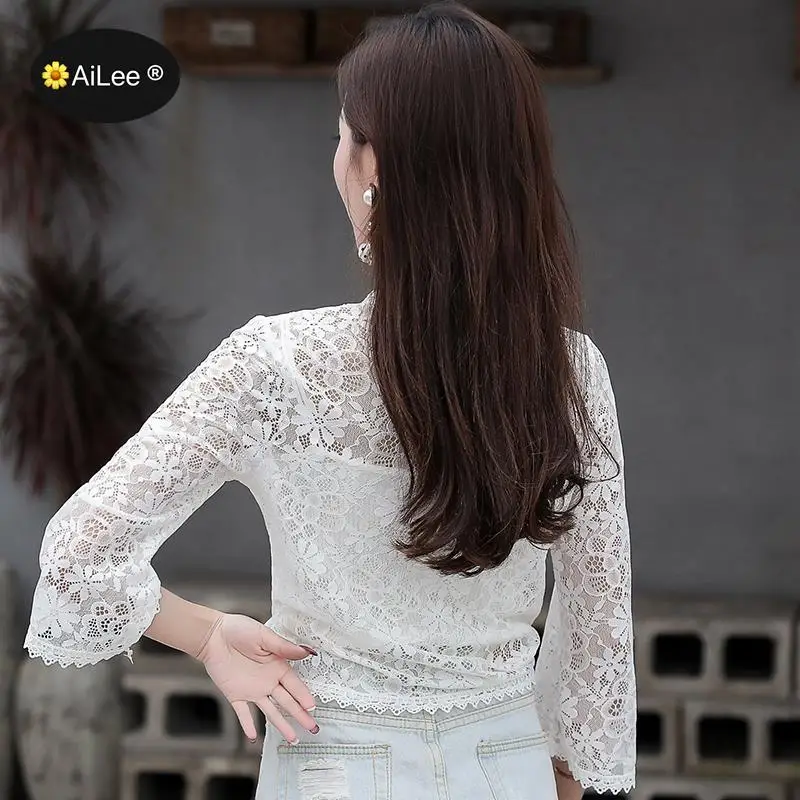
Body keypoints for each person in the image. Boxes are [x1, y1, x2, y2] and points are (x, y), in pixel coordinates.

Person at [23, 4, 636, 798]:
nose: (338, 157)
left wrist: (207, 636)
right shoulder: (571, 369)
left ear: (374, 167)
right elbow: (597, 625)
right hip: (508, 766)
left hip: (333, 767)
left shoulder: (275, 363)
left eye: (342, 135)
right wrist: (559, 780)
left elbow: (78, 555)